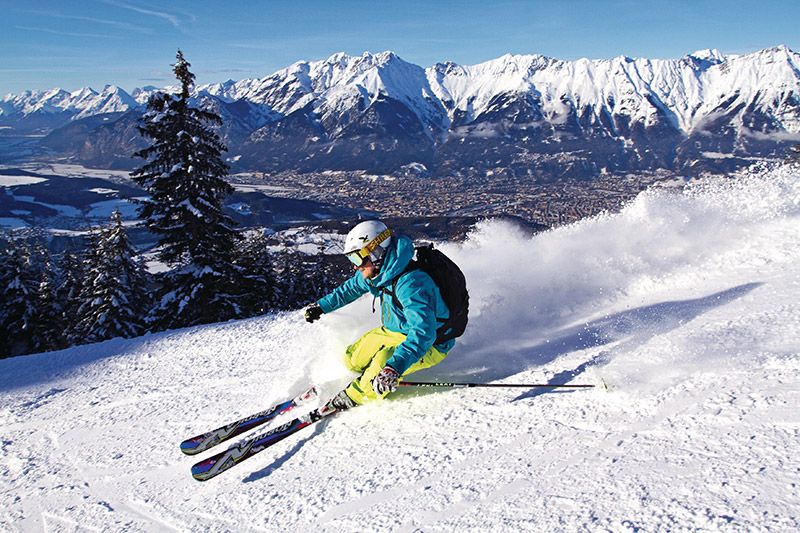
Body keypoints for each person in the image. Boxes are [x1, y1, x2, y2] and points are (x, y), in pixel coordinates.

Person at [304, 220, 456, 410]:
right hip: (395, 331)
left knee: (382, 361)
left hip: (430, 343)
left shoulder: (411, 284)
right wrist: (321, 306)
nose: (355, 267)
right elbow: (350, 289)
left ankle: (355, 396)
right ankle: (366, 376)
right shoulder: (380, 272)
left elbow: (423, 332)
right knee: (353, 359)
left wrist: (394, 366)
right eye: (352, 260)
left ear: (376, 252)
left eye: (357, 259)